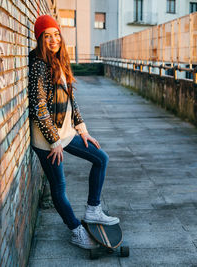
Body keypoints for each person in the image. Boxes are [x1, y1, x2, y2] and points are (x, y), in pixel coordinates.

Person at [28, 15, 119, 249]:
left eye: (56, 34)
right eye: (46, 36)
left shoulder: (60, 60)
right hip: (47, 139)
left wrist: (83, 130)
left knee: (101, 158)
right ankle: (76, 230)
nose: (53, 39)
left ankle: (93, 211)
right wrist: (54, 141)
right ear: (39, 39)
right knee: (59, 187)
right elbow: (38, 106)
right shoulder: (38, 64)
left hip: (66, 133)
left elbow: (71, 99)